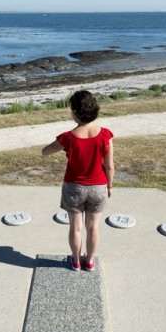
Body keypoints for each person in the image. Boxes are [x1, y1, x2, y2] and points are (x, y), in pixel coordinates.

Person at [42, 90, 114, 271]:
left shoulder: (68, 137)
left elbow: (46, 151)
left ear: (75, 111)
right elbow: (110, 166)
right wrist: (109, 186)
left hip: (74, 187)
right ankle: (89, 261)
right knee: (93, 227)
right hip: (98, 187)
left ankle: (75, 260)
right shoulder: (105, 135)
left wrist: (45, 151)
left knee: (75, 228)